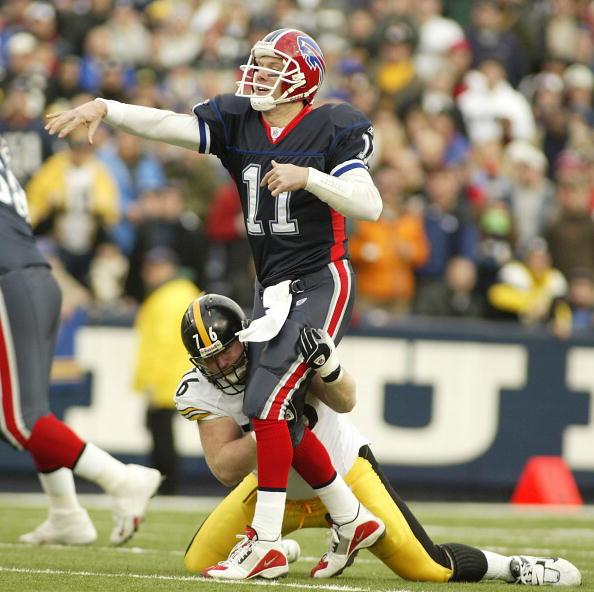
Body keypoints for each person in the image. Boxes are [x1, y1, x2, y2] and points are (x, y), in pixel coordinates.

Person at [45, 28, 385, 580]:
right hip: (272, 284)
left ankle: (268, 541)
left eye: (274, 66)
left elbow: (369, 204)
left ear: (304, 77)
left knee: (266, 400)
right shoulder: (238, 119)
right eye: (259, 63)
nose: (259, 74)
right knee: (279, 407)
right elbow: (171, 126)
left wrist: (310, 176)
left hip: (321, 276)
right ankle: (350, 518)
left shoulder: (335, 125)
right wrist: (107, 106)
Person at [175, 293, 581, 587]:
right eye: (208, 359)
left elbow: (347, 400)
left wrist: (329, 365)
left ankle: (513, 567)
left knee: (428, 568)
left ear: (243, 338)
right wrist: (275, 423)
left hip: (345, 476)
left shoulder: (275, 351)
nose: (220, 364)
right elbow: (226, 468)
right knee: (198, 561)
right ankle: (278, 546)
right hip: (273, 491)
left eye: (225, 351)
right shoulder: (200, 389)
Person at [0, 134, 162, 546]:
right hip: (33, 277)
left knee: (19, 421)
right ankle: (66, 512)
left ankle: (121, 479)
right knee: (30, 412)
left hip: (10, 281)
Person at [133, 246, 201, 494]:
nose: (149, 273)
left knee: (161, 433)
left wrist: (151, 381)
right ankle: (166, 482)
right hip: (174, 376)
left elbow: (161, 345)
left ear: (169, 268)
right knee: (160, 431)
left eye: (155, 267)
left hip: (166, 379)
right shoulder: (176, 294)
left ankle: (166, 483)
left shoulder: (168, 298)